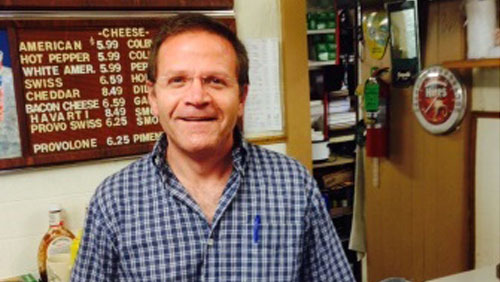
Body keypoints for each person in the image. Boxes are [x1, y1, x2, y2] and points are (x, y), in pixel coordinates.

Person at [71, 14, 354, 281]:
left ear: (242, 97)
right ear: (153, 97)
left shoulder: (293, 185)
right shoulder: (113, 203)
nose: (196, 97)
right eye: (178, 80)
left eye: (215, 81)